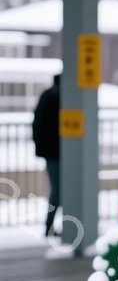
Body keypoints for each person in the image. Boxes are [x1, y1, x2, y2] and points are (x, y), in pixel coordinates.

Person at [31, 75, 61, 238]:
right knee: (58, 191)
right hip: (55, 153)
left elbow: (37, 124)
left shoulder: (48, 96)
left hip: (51, 153)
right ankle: (49, 225)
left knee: (57, 190)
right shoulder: (55, 98)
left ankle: (50, 225)